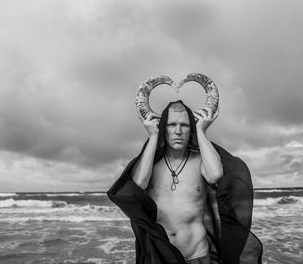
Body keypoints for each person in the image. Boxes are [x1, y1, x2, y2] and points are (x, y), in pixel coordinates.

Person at [107, 100, 262, 264]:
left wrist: (201, 131)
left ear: (191, 129)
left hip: (198, 256)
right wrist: (153, 136)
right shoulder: (151, 164)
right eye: (171, 125)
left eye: (185, 125)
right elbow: (138, 186)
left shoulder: (200, 162)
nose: (178, 131)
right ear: (163, 129)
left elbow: (216, 175)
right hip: (161, 257)